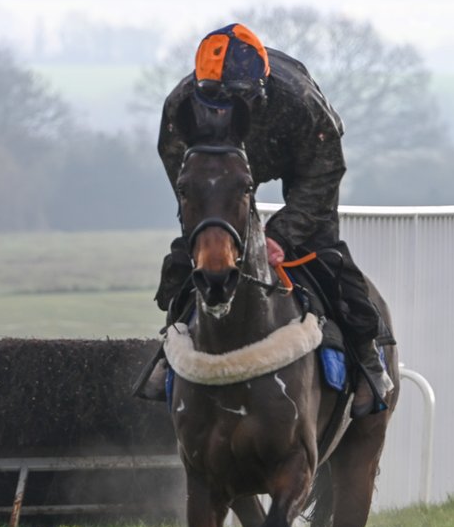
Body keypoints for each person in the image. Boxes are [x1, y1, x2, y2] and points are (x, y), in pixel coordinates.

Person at [136, 22, 393, 416]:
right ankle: (171, 349)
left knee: (328, 259)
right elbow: (182, 177)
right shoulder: (181, 108)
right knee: (187, 261)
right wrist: (209, 222)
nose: (224, 110)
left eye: (235, 100)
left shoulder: (299, 102)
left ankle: (367, 361)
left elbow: (324, 173)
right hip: (217, 172)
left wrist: (282, 236)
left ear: (261, 88)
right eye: (215, 100)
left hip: (302, 165)